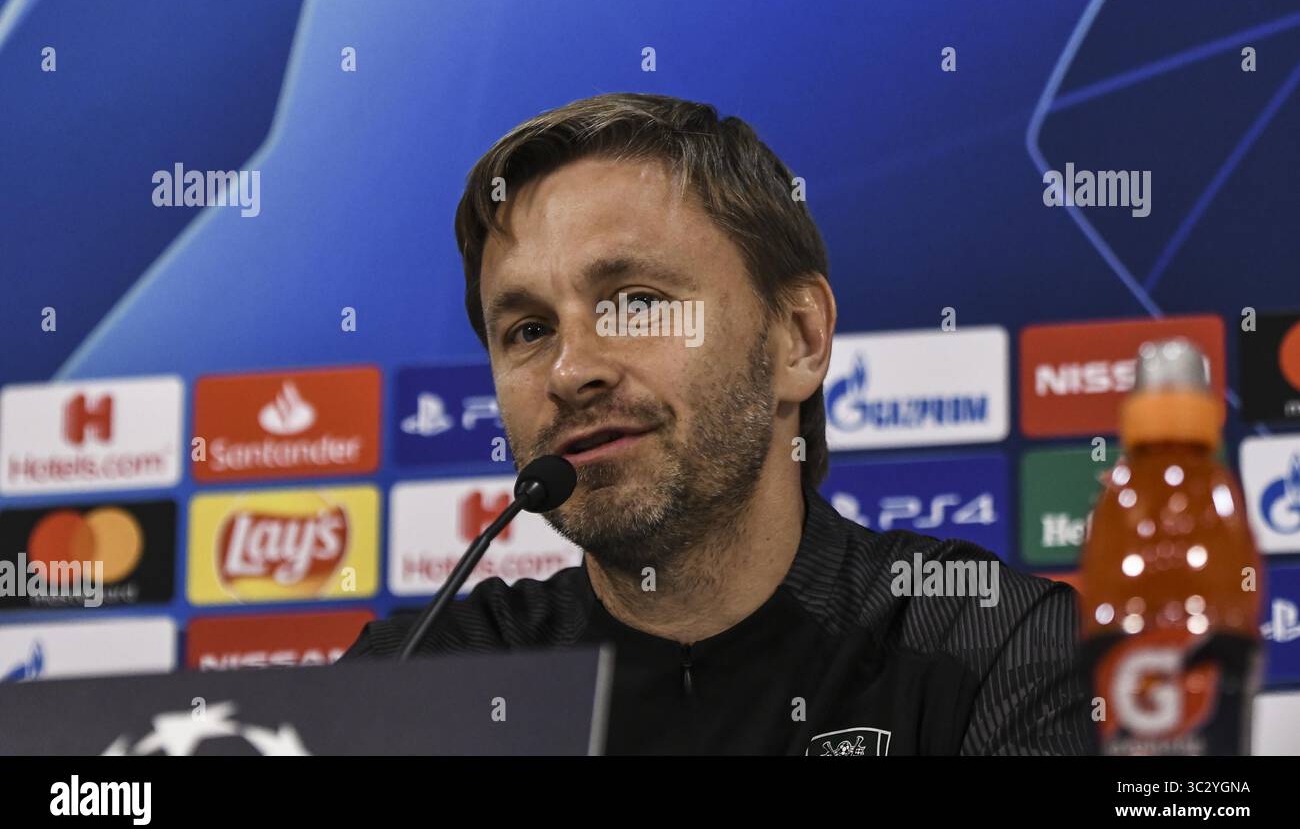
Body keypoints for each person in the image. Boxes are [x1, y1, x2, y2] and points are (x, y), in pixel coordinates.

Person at [341, 92, 1096, 755]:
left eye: (636, 302)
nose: (571, 371)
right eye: (530, 330)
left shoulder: (989, 644)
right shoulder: (423, 674)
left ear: (797, 339)